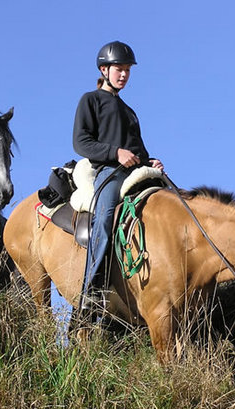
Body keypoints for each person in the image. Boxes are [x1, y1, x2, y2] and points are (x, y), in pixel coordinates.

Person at [73, 41, 164, 322]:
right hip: (109, 173)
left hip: (137, 172)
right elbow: (81, 142)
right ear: (104, 69)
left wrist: (151, 162)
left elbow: (138, 149)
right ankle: (92, 291)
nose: (123, 75)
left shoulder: (129, 111)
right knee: (105, 217)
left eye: (127, 70)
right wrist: (115, 153)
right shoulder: (91, 100)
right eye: (119, 70)